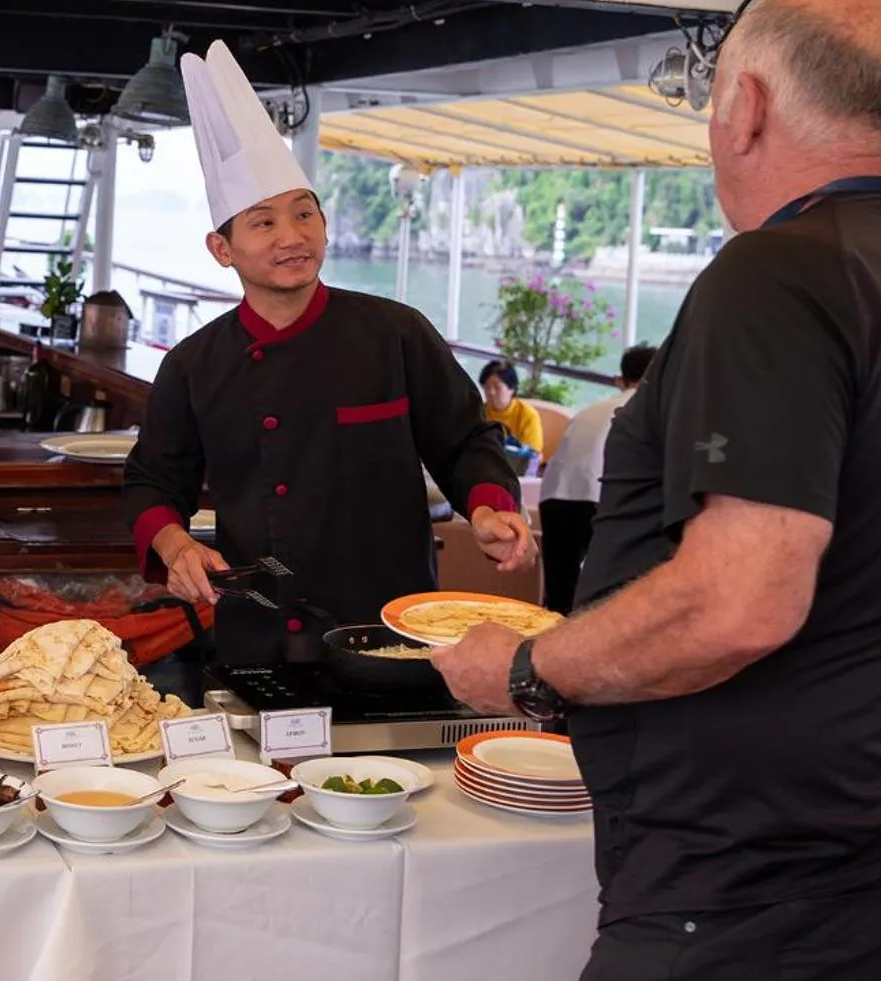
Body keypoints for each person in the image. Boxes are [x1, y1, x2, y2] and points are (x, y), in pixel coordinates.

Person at [430, 0, 881, 981]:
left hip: (752, 884)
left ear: (742, 105)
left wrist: (526, 673)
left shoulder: (774, 274)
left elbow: (739, 600)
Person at [123, 41, 533, 664]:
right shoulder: (192, 364)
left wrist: (488, 506)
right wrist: (176, 545)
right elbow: (153, 481)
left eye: (304, 214)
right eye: (263, 222)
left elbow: (465, 440)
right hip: (256, 639)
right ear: (221, 248)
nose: (292, 237)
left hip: (392, 634)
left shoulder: (395, 334)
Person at [538, 344, 655, 614]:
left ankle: (547, 653)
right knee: (613, 596)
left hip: (554, 498)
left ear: (620, 380)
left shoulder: (589, 411)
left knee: (560, 599)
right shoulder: (646, 411)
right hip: (597, 500)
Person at [479, 359, 546, 467]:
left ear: (512, 389)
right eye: (487, 387)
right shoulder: (479, 411)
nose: (491, 392)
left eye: (497, 387)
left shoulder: (527, 415)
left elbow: (532, 454)